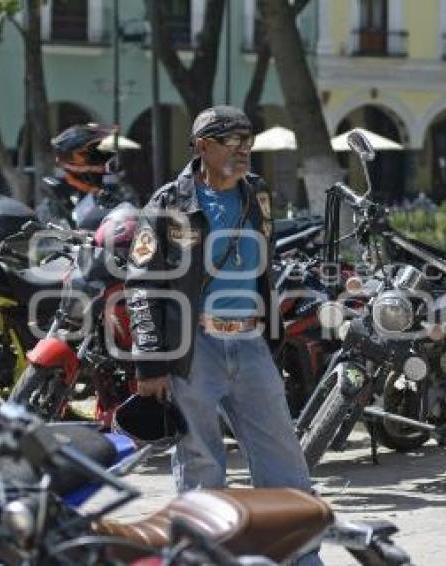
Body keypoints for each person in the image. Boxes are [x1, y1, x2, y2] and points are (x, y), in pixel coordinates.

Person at [124, 106, 315, 513]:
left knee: (284, 457)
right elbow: (141, 284)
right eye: (232, 140)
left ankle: (299, 554)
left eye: (248, 140)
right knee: (201, 464)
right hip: (193, 349)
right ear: (202, 146)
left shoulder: (256, 194)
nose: (244, 148)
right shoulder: (170, 201)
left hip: (250, 343)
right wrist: (150, 364)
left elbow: (263, 267)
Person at [37, 123, 123, 229]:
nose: (101, 159)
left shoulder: (115, 190)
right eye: (93, 154)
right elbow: (48, 233)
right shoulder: (57, 195)